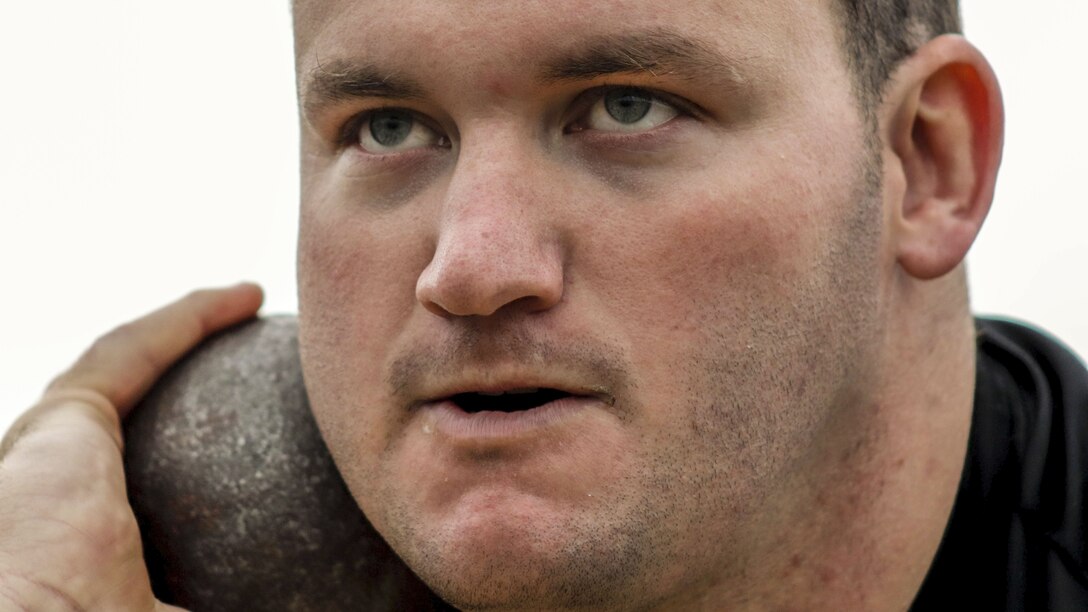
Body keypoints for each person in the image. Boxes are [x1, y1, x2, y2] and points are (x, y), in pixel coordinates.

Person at [1, 1, 1084, 610]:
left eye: (625, 107)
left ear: (926, 161)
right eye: (387, 127)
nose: (470, 269)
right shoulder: (142, 562)